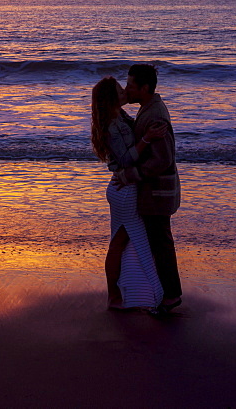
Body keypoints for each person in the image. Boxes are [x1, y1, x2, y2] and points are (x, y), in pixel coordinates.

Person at [91, 76, 166, 311]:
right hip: (124, 189)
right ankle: (115, 294)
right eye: (119, 89)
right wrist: (147, 138)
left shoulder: (118, 117)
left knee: (122, 242)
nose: (125, 91)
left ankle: (129, 292)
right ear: (111, 98)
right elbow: (125, 158)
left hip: (122, 186)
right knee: (120, 242)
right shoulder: (114, 124)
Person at [115, 63, 182, 312]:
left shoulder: (154, 114)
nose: (127, 89)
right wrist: (118, 111)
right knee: (158, 241)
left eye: (130, 86)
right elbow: (139, 130)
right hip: (156, 192)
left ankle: (172, 295)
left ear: (144, 88)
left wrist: (129, 175)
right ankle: (163, 291)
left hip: (158, 192)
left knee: (161, 243)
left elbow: (162, 159)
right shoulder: (149, 108)